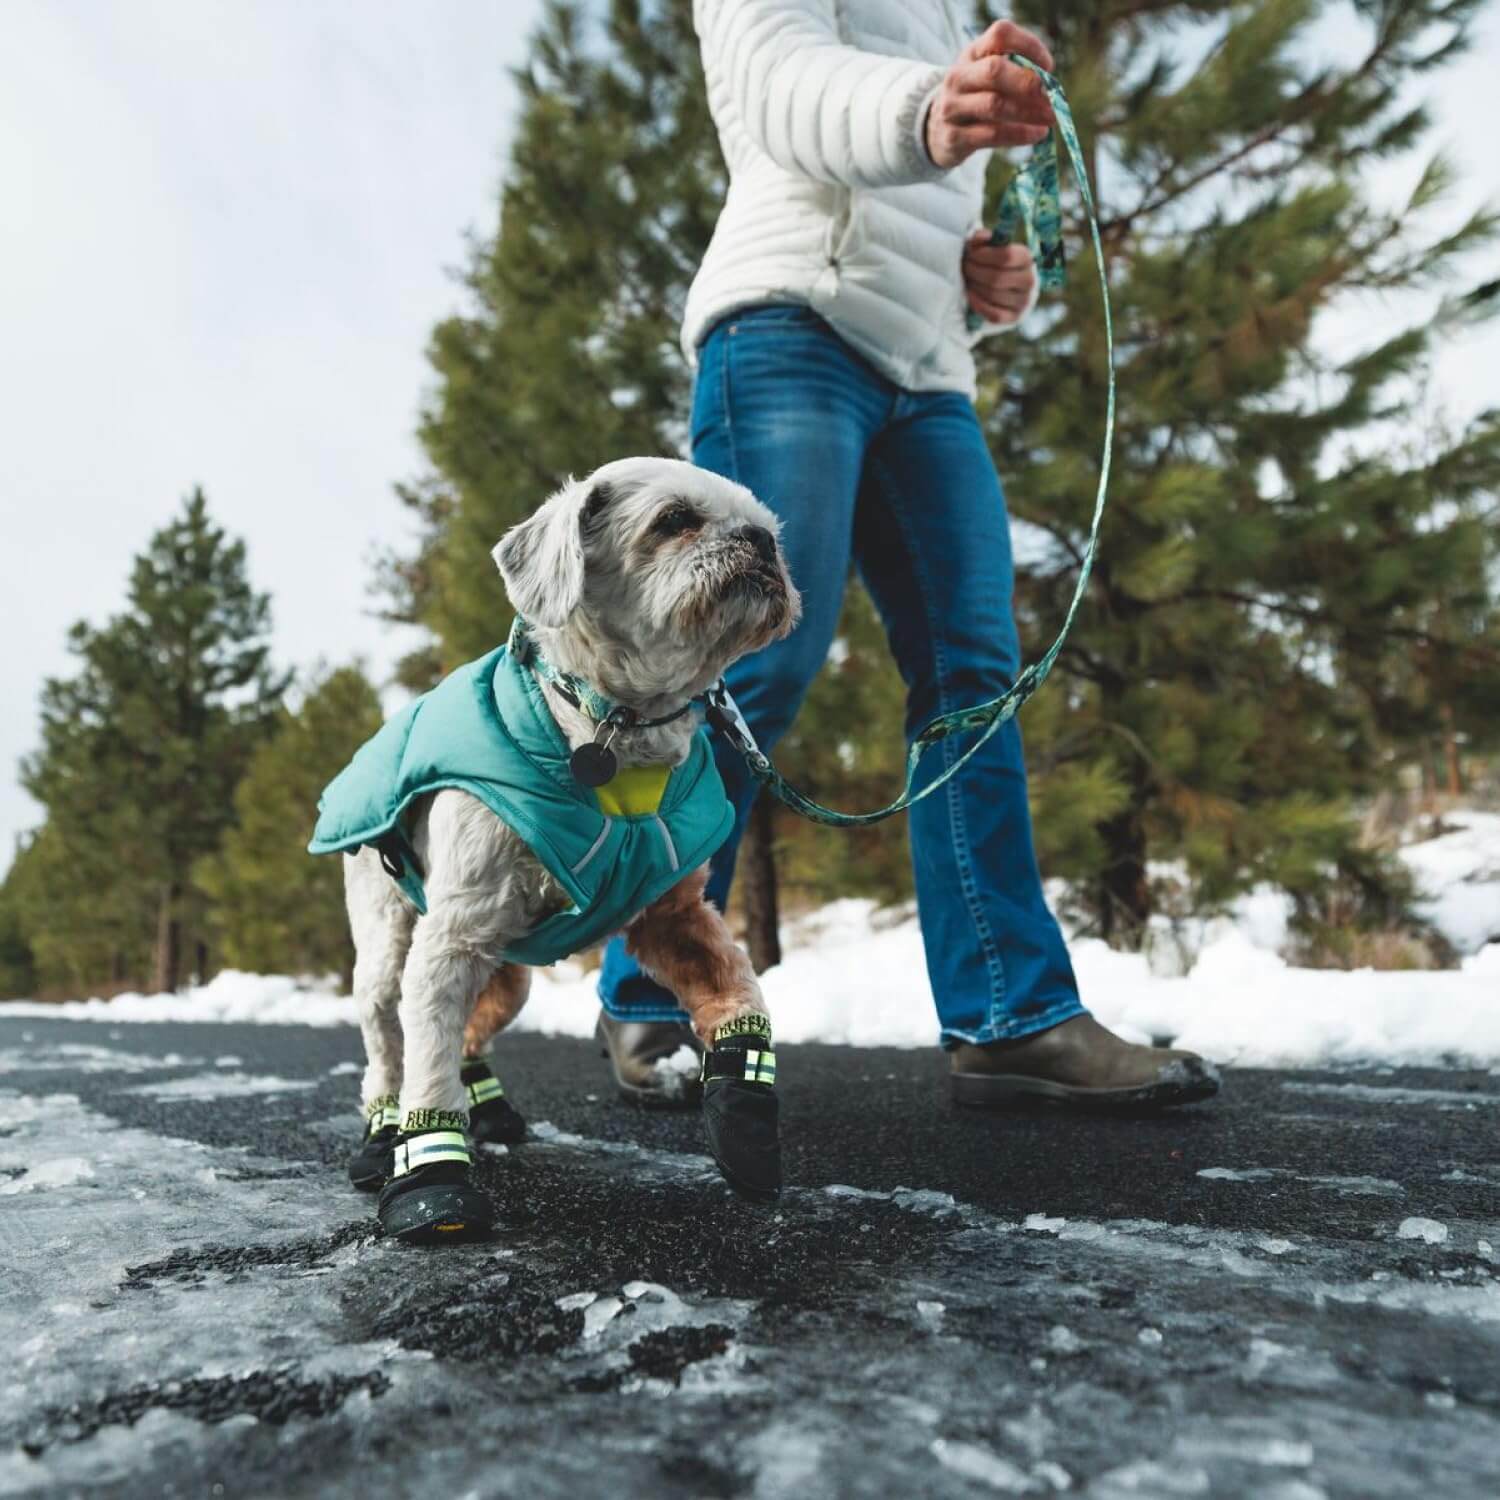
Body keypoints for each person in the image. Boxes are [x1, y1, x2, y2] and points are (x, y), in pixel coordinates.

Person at [595, 1, 1220, 1113]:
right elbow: (782, 80)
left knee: (976, 671)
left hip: (929, 375)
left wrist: (994, 288)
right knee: (756, 662)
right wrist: (929, 108)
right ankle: (653, 985)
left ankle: (1009, 1017)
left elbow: (937, 214)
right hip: (787, 328)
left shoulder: (958, 11)